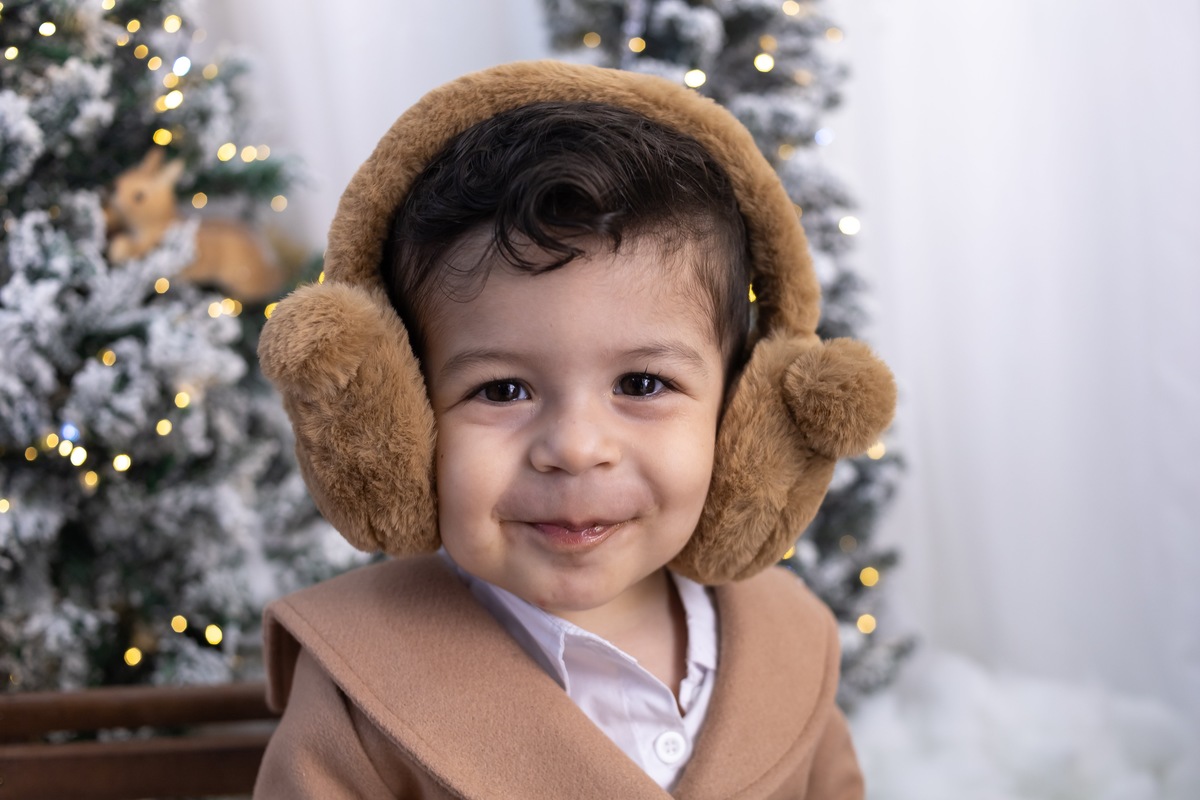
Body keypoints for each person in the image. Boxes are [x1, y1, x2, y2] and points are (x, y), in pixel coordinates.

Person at [253, 60, 895, 799]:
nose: (576, 448)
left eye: (643, 384)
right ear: (402, 417)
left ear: (747, 415)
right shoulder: (355, 697)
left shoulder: (791, 642)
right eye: (502, 389)